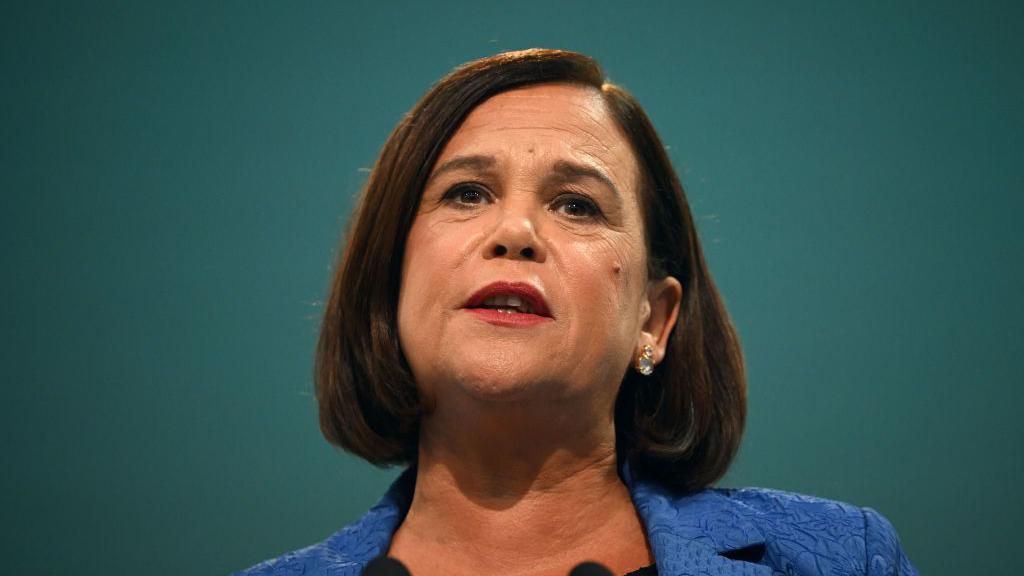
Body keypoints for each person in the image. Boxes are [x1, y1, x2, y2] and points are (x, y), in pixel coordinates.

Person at [234, 49, 917, 576]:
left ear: (654, 320)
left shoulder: (845, 559)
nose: (516, 232)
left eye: (577, 204)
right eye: (467, 193)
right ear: (390, 287)